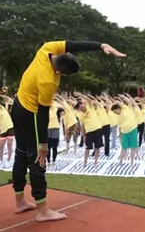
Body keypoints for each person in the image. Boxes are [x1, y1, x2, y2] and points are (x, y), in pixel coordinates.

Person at [10, 40, 125, 222]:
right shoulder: (48, 80)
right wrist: (43, 144)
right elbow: (42, 115)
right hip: (30, 113)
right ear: (60, 72)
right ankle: (42, 210)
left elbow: (74, 44)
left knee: (21, 154)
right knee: (38, 160)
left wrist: (101, 45)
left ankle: (20, 202)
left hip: (17, 107)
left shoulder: (46, 49)